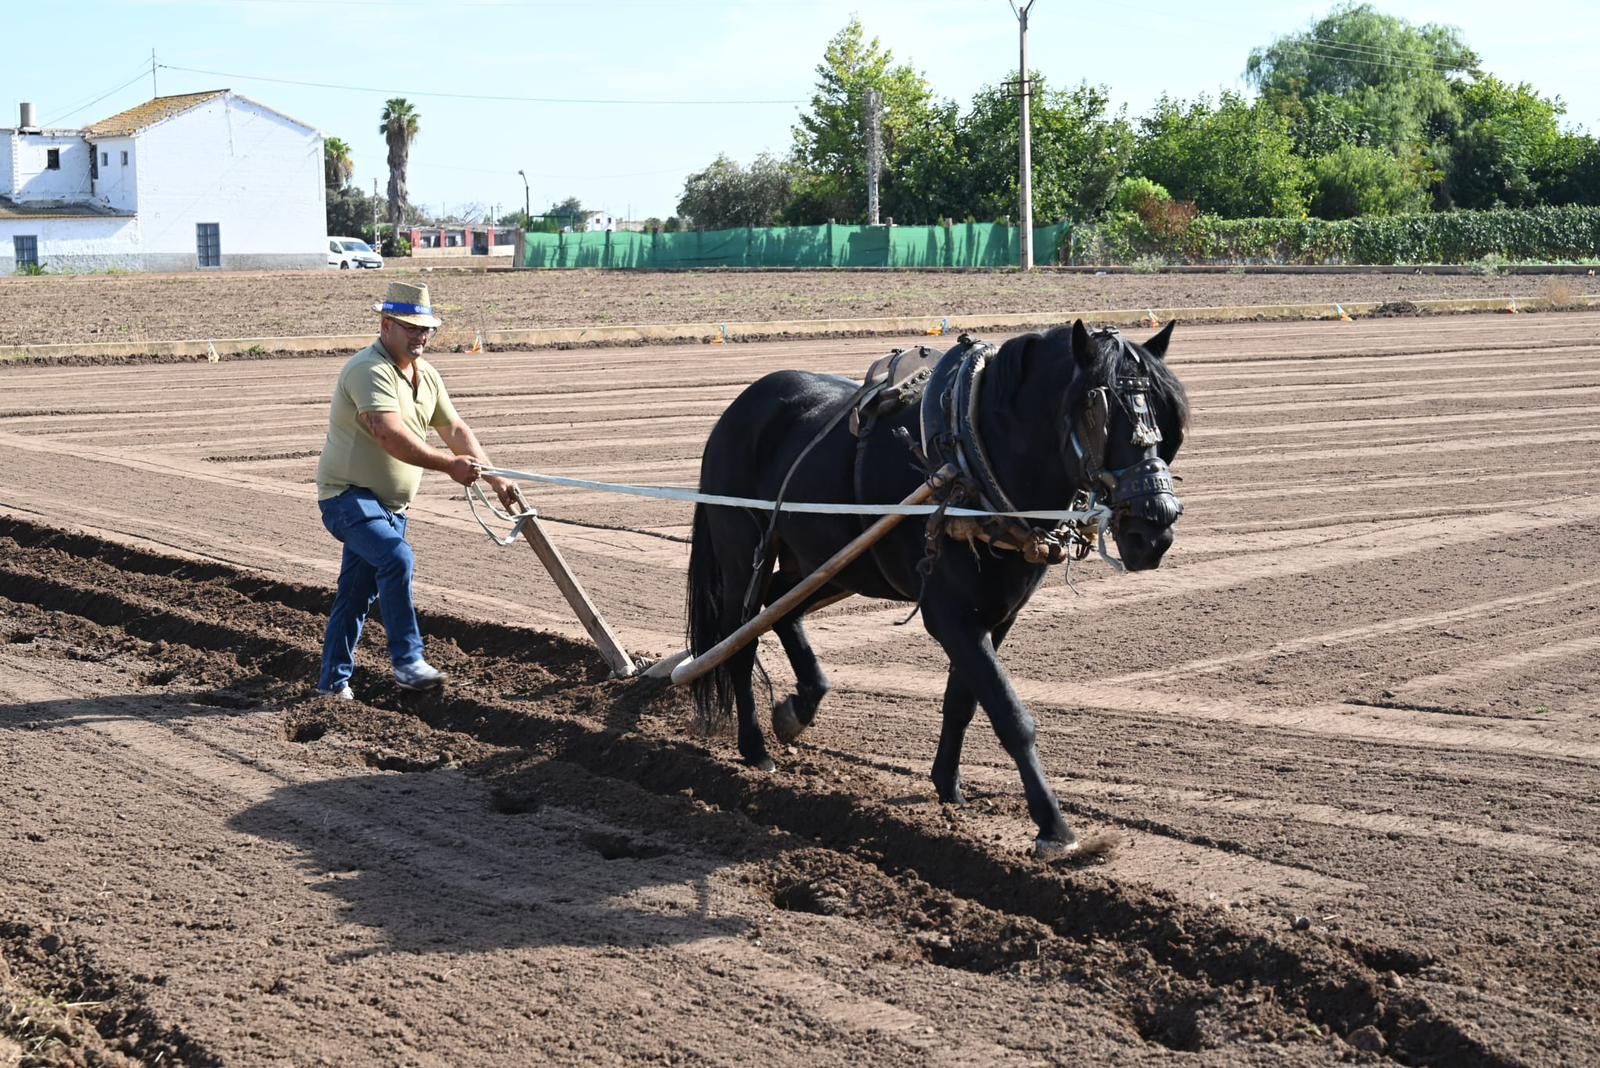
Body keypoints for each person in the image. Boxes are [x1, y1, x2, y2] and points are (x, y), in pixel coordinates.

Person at [313, 281, 517, 697]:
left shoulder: (428, 377)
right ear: (386, 325)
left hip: (392, 506)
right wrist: (449, 466)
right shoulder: (368, 370)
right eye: (411, 327)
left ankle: (332, 686)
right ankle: (408, 662)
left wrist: (496, 478)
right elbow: (389, 435)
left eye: (426, 329)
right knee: (397, 558)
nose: (420, 336)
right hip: (347, 498)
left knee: (355, 597)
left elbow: (455, 429)